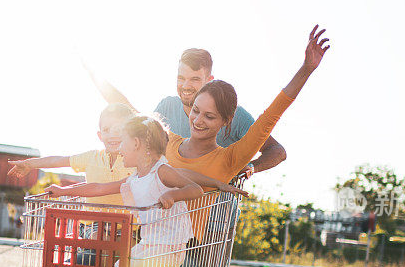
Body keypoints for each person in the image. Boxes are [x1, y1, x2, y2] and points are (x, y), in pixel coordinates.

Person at [160, 25, 331, 267]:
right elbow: (137, 138)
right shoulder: (170, 128)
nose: (197, 113)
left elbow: (274, 117)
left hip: (214, 224)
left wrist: (305, 70)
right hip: (173, 228)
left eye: (209, 114)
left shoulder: (233, 138)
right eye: (183, 81)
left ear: (225, 120)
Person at [43, 115, 241, 267]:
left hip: (170, 247)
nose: (119, 150)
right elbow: (98, 188)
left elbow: (195, 189)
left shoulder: (161, 171)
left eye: (123, 143)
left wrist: (173, 194)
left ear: (136, 144)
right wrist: (62, 192)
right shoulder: (134, 179)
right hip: (150, 243)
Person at [86, 48, 287, 177]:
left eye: (194, 79)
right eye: (181, 78)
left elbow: (277, 151)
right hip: (170, 212)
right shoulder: (167, 107)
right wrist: (93, 74)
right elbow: (136, 116)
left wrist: (251, 167)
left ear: (209, 80)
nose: (186, 86)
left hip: (215, 218)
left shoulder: (235, 115)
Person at [7, 103, 136, 205]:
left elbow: (99, 188)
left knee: (116, 237)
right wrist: (29, 164)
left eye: (118, 129)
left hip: (129, 225)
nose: (112, 135)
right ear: (100, 135)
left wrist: (64, 191)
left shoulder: (136, 162)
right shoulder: (92, 157)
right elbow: (59, 161)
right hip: (93, 222)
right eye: (106, 130)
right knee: (96, 236)